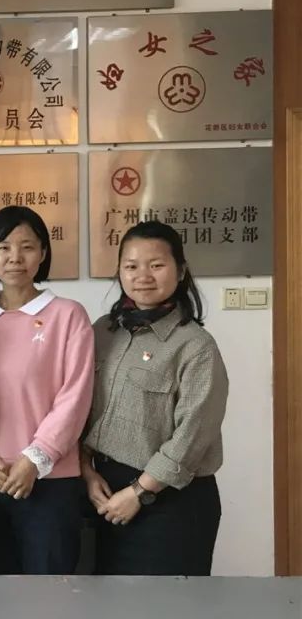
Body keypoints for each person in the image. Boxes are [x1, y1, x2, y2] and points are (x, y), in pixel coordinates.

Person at [81, 220, 229, 576]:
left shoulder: (196, 346)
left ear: (181, 271)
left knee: (167, 602)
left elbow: (193, 435)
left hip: (171, 501)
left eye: (156, 265)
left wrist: (138, 492)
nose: (142, 276)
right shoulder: (102, 331)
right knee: (107, 601)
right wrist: (86, 471)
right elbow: (80, 407)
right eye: (131, 266)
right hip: (103, 492)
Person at [0, 206, 94, 575]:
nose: (15, 257)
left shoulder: (68, 315)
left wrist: (35, 459)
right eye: (3, 247)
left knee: (48, 594)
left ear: (43, 253)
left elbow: (75, 396)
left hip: (50, 481)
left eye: (27, 246)